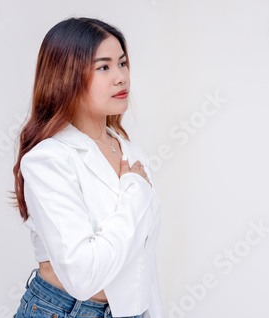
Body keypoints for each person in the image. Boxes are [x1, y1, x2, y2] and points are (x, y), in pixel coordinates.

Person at [9, 17, 164, 318]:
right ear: (66, 76)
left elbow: (142, 265)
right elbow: (83, 276)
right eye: (103, 67)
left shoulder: (131, 152)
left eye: (122, 63)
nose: (121, 77)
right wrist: (136, 193)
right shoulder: (48, 160)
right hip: (63, 310)